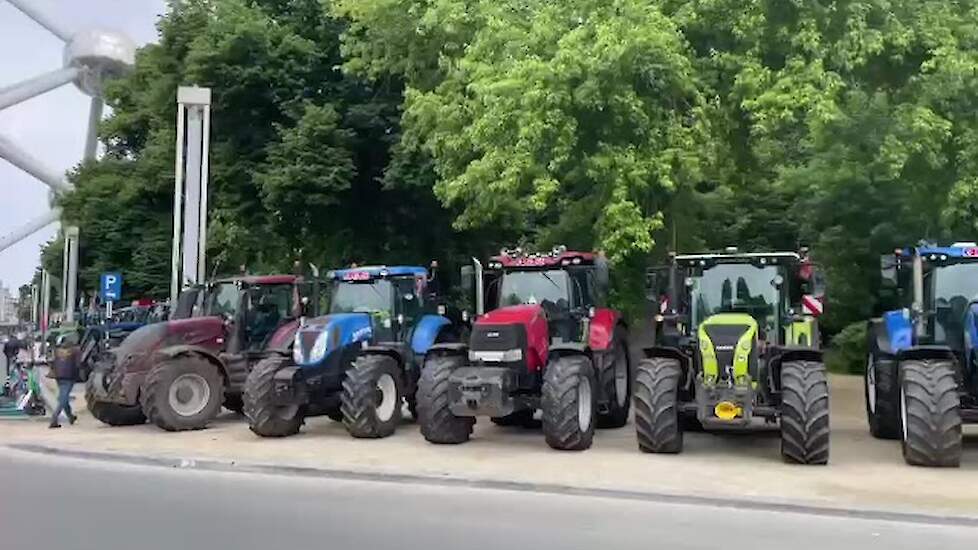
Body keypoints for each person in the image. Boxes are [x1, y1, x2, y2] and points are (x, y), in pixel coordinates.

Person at [48, 340, 79, 428]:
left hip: (58, 376)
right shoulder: (75, 352)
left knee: (63, 397)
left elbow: (52, 362)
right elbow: (77, 365)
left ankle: (70, 416)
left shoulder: (57, 352)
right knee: (63, 399)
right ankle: (54, 418)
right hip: (69, 376)